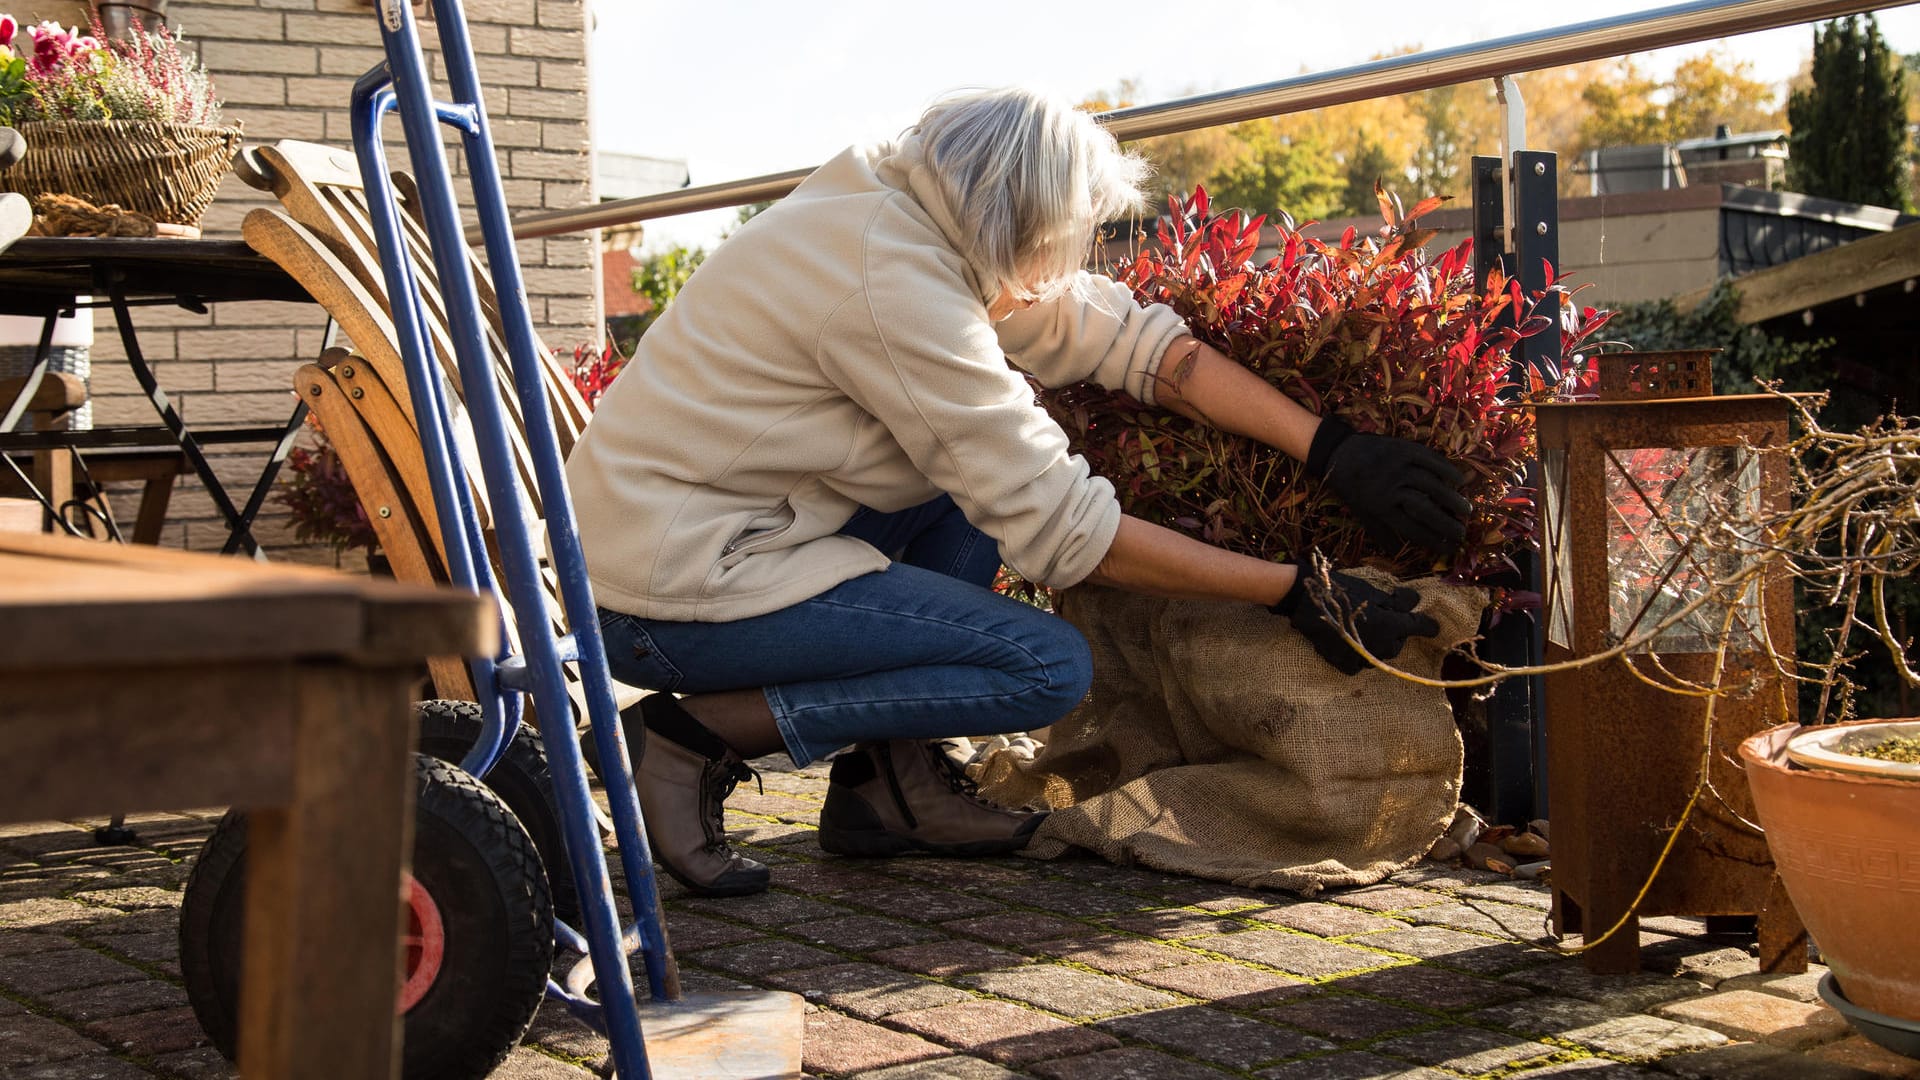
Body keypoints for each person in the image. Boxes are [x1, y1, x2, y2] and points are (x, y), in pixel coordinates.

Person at [567, 87, 1471, 898]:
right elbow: (1073, 533)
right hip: (668, 594)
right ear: (1016, 215)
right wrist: (1295, 592)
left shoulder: (907, 211)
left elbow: (1145, 350)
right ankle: (691, 736)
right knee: (1043, 668)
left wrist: (1337, 449)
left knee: (965, 490)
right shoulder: (893, 281)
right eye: (1060, 240)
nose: (1060, 266)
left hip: (706, 536)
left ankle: (893, 790)